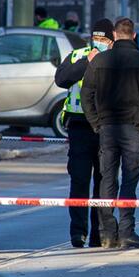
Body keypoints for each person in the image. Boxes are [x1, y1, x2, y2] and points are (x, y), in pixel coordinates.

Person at [81, 17, 139, 250]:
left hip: (107, 128)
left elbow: (86, 95)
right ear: (133, 35)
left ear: (114, 35)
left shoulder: (99, 61)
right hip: (134, 128)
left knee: (107, 179)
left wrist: (96, 122)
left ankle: (107, 232)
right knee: (129, 182)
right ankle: (127, 232)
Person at [54, 18, 114, 248]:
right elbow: (61, 79)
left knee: (103, 181)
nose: (99, 42)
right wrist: (87, 63)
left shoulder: (114, 58)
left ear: (112, 40)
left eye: (104, 39)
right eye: (96, 38)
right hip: (79, 126)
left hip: (105, 126)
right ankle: (78, 233)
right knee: (79, 181)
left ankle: (100, 234)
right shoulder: (79, 54)